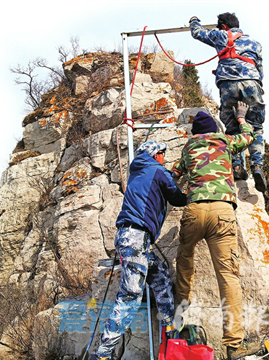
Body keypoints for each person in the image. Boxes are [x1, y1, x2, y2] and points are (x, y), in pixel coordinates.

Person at [172, 104, 262, 360]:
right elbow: (249, 136)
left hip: (194, 209)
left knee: (184, 263)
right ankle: (234, 345)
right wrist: (241, 117)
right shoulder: (224, 140)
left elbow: (176, 171)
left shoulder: (188, 147)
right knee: (228, 277)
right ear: (213, 130)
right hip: (222, 211)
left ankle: (178, 319)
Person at [90, 141, 187, 360]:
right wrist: (194, 192)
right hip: (135, 237)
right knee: (130, 295)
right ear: (156, 155)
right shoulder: (156, 170)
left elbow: (158, 181)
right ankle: (103, 354)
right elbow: (176, 197)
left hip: (132, 238)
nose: (164, 157)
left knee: (160, 276)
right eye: (163, 153)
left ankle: (169, 330)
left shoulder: (140, 170)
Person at [189, 12, 267, 193]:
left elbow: (197, 33)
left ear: (223, 26)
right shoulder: (255, 43)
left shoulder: (220, 36)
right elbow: (260, 71)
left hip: (228, 85)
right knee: (256, 127)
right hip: (252, 83)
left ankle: (238, 168)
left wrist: (194, 20)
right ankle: (257, 166)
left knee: (232, 127)